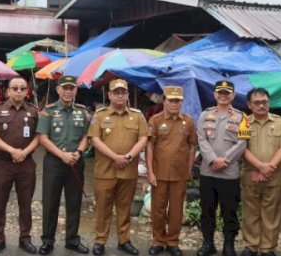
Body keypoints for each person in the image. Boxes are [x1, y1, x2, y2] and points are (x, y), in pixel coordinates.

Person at [88, 78, 148, 256]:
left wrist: (128, 157)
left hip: (128, 170)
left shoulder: (137, 116)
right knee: (103, 208)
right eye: (116, 92)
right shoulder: (100, 115)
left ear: (128, 95)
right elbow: (95, 139)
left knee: (124, 207)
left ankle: (124, 240)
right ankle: (100, 240)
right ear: (109, 95)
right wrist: (115, 157)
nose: (120, 96)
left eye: (123, 92)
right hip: (105, 170)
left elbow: (143, 139)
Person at [36, 75, 89, 255]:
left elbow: (86, 136)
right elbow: (42, 137)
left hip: (75, 161)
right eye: (64, 88)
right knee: (51, 202)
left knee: (74, 202)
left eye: (71, 88)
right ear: (58, 90)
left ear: (75, 91)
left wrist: (79, 152)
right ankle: (48, 240)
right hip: (54, 163)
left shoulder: (82, 112)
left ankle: (72, 240)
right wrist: (62, 155)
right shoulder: (48, 111)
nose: (68, 91)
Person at [0, 77, 39, 255]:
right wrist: (12, 151)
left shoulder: (33, 111)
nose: (18, 91)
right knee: (0, 203)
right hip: (3, 163)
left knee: (26, 204)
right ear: (8, 91)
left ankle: (25, 238)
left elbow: (40, 136)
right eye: (14, 88)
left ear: (26, 91)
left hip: (26, 164)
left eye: (22, 88)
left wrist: (23, 152)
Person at [196, 80, 248, 256]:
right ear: (215, 94)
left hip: (230, 173)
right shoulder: (205, 115)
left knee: (230, 211)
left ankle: (229, 245)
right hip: (208, 172)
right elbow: (201, 140)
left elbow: (243, 142)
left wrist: (223, 160)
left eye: (227, 92)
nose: (223, 95)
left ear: (233, 95)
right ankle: (208, 243)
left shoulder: (242, 117)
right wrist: (212, 160)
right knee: (207, 210)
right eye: (220, 92)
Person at [146, 86, 196, 256]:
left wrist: (189, 168)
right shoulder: (155, 120)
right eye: (171, 100)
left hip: (179, 173)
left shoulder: (188, 121)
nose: (174, 103)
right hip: (159, 173)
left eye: (178, 100)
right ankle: (158, 240)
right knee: (157, 209)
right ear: (165, 101)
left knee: (176, 210)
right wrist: (150, 172)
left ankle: (173, 241)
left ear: (182, 102)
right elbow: (150, 146)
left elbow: (192, 146)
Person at [240, 88, 281, 256]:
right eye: (257, 102)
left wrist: (269, 168)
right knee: (250, 213)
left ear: (269, 103)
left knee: (272, 214)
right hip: (251, 176)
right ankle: (251, 246)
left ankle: (268, 248)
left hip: (274, 177)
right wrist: (260, 167)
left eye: (264, 102)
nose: (261, 105)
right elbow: (242, 148)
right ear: (249, 104)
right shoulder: (244, 122)